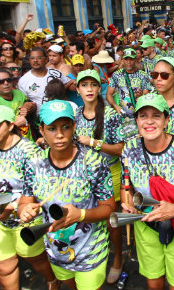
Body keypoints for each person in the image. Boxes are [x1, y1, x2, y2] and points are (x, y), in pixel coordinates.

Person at [19, 100, 115, 290]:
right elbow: (26, 200)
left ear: (74, 127)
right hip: (56, 252)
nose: (60, 135)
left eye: (65, 127)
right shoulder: (34, 163)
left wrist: (80, 215)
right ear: (41, 130)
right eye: (52, 128)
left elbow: (110, 208)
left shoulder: (92, 162)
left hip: (91, 252)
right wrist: (24, 210)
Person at [120, 93, 174, 290]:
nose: (149, 121)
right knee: (154, 281)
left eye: (156, 116)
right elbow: (127, 187)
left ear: (166, 120)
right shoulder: (129, 149)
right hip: (146, 226)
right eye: (143, 116)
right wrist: (129, 206)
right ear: (136, 121)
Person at [0, 106, 57, 290]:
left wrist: (12, 207)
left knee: (35, 258)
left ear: (10, 126)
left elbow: (37, 191)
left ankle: (52, 280)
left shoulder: (29, 152)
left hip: (25, 219)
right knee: (1, 265)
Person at [72, 69, 126, 283]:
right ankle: (95, 257)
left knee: (111, 220)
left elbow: (121, 148)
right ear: (77, 90)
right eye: (84, 85)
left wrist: (93, 142)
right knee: (89, 218)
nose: (89, 89)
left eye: (93, 85)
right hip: (84, 176)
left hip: (109, 173)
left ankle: (118, 258)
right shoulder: (76, 116)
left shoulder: (111, 115)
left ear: (99, 88)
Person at [0, 67, 36, 140]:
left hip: (28, 141)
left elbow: (33, 105)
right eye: (1, 81)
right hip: (10, 144)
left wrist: (27, 108)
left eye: (8, 80)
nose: (6, 83)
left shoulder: (19, 93)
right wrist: (15, 124)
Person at [18, 47, 70, 113]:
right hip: (39, 119)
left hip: (60, 114)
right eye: (32, 58)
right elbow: (24, 102)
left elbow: (69, 85)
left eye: (39, 58)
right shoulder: (23, 80)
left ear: (46, 60)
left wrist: (73, 81)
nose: (35, 60)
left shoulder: (56, 73)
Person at [107, 48, 152, 117]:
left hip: (140, 114)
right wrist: (115, 106)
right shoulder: (117, 75)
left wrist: (141, 96)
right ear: (122, 60)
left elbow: (146, 94)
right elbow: (109, 94)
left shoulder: (143, 75)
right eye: (126, 59)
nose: (128, 62)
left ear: (135, 60)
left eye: (131, 59)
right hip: (122, 116)